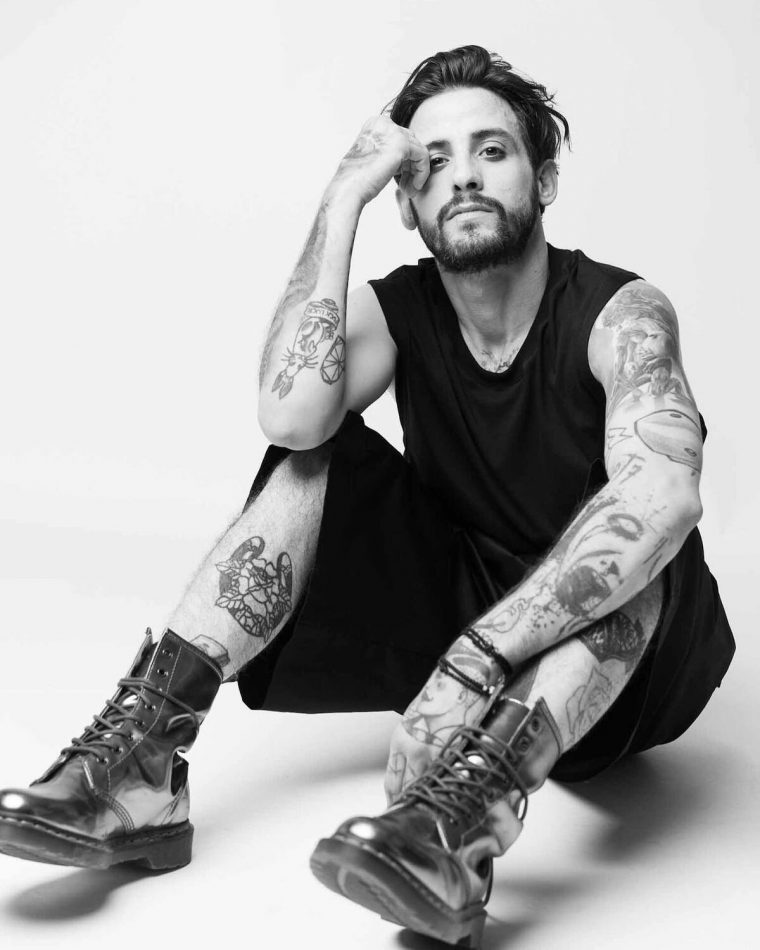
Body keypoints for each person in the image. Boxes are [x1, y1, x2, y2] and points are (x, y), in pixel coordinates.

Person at [0, 45, 734, 949]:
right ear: (407, 202)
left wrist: (478, 659)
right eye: (432, 163)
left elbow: (666, 491)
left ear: (543, 180)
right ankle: (141, 766)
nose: (462, 176)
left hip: (635, 669)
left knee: (634, 545)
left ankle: (456, 832)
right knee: (313, 459)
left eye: (492, 151)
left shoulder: (621, 313)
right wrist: (342, 196)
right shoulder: (402, 310)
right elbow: (290, 415)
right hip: (474, 615)